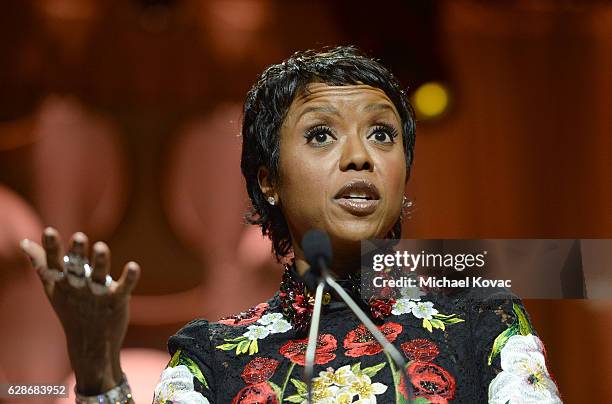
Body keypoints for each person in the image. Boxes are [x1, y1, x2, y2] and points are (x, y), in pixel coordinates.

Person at [20, 46, 562, 403]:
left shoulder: (486, 330)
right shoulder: (213, 358)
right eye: (321, 135)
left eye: (382, 134)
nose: (360, 157)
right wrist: (96, 371)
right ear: (268, 181)